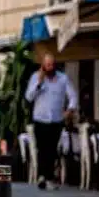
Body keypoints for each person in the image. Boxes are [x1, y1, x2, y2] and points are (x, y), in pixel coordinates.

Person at [24, 53, 77, 189]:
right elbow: (29, 97)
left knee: (52, 150)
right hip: (40, 119)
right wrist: (39, 82)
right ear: (43, 66)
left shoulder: (62, 79)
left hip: (56, 120)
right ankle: (43, 176)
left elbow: (72, 96)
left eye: (52, 65)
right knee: (42, 149)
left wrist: (69, 110)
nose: (50, 67)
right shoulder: (35, 77)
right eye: (47, 65)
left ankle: (49, 178)